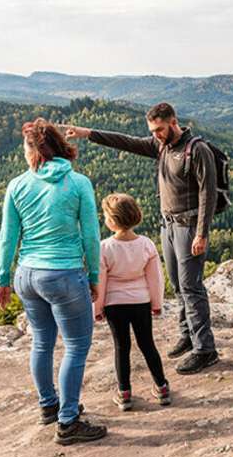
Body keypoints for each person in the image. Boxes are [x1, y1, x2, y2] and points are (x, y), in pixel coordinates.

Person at [64, 103, 220, 375]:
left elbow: (209, 194)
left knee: (191, 286)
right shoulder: (160, 146)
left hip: (189, 226)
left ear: (174, 121)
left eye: (160, 129)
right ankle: (188, 335)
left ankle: (205, 349)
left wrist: (201, 234)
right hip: (168, 225)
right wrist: (87, 133)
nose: (156, 134)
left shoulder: (196, 150)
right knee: (177, 284)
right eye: (152, 130)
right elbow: (124, 141)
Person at [0, 118, 106, 445]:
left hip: (27, 275)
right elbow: (91, 235)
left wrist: (3, 279)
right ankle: (68, 421)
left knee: (42, 342)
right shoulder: (78, 183)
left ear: (33, 152)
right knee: (76, 346)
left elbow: (7, 237)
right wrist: (95, 276)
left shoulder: (17, 185)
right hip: (63, 273)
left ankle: (49, 406)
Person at [94, 193, 171, 411]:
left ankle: (124, 392)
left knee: (122, 346)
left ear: (111, 221)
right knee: (147, 344)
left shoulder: (104, 247)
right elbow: (155, 277)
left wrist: (97, 309)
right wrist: (156, 303)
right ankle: (162, 387)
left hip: (114, 305)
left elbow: (100, 281)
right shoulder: (146, 245)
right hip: (141, 302)